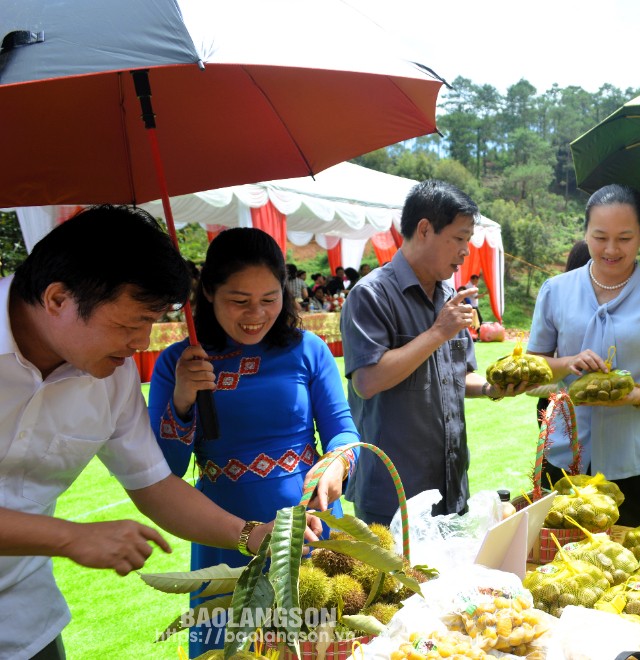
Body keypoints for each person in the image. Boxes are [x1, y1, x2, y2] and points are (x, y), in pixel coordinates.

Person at [1, 206, 291, 660]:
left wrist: (251, 535)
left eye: (152, 322)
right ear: (58, 299)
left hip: (24, 620)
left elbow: (154, 484)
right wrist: (70, 536)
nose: (142, 343)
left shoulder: (109, 375)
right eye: (128, 323)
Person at [148, 228, 359, 656]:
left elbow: (342, 428)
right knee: (235, 649)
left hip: (311, 531)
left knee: (317, 645)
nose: (256, 315)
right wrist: (183, 399)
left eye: (269, 299)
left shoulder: (308, 350)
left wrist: (339, 462)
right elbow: (164, 472)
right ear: (207, 291)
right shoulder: (179, 362)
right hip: (224, 541)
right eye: (239, 300)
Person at [342, 180, 528, 525]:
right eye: (458, 238)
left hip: (451, 487)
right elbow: (367, 381)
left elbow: (461, 375)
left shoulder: (449, 295)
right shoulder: (370, 295)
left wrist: (490, 388)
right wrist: (438, 332)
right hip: (394, 496)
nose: (465, 251)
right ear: (425, 229)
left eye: (468, 241)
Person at [527, 184, 640, 526]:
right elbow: (533, 369)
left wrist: (637, 394)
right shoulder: (556, 291)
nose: (611, 249)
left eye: (625, 238)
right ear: (585, 233)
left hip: (638, 463)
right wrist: (565, 363)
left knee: (632, 565)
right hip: (564, 456)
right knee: (561, 563)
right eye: (600, 237)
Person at [534, 240, 591, 429]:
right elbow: (537, 360)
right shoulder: (557, 292)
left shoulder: (560, 295)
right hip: (561, 401)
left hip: (552, 401)